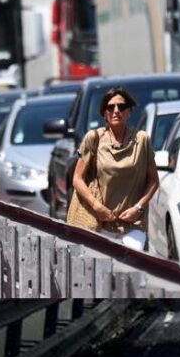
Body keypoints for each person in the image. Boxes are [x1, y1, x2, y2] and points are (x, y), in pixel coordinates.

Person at [68, 87, 158, 247]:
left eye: (121, 107)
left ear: (129, 111)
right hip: (99, 223)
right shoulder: (93, 138)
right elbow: (77, 178)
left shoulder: (141, 140)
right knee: (102, 269)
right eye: (110, 107)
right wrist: (97, 206)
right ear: (104, 113)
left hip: (133, 224)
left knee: (133, 265)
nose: (116, 111)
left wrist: (139, 208)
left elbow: (154, 181)